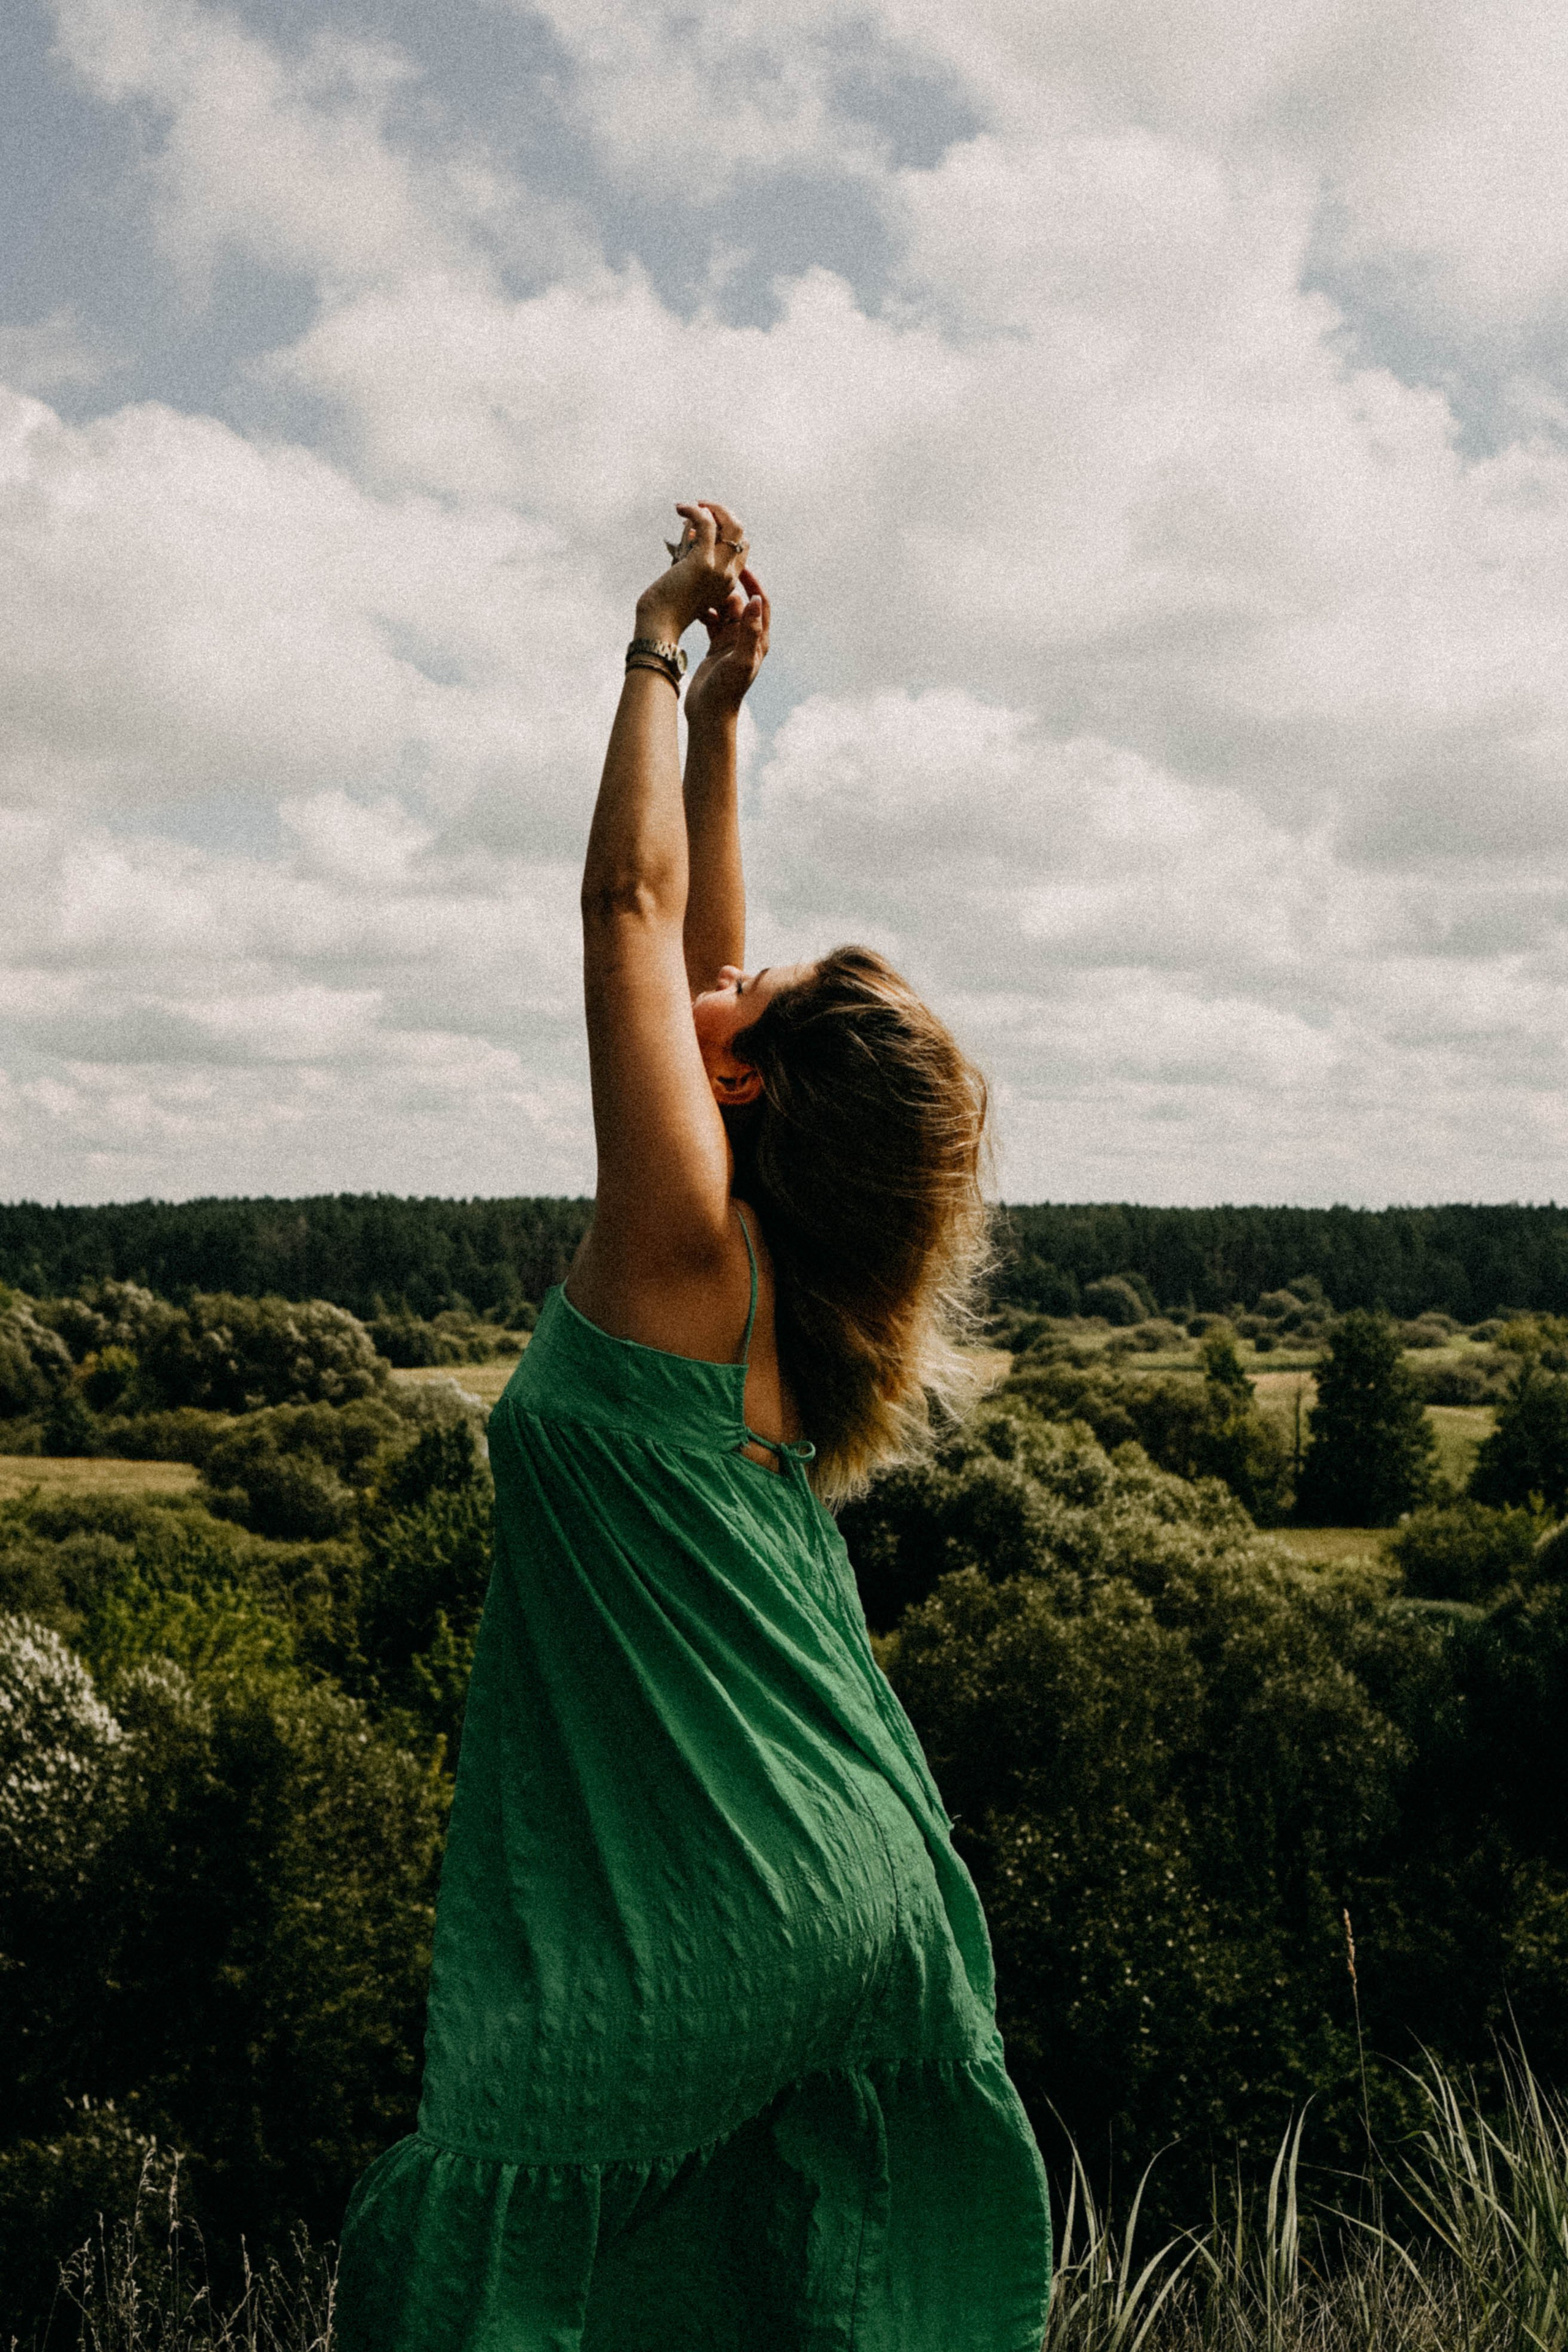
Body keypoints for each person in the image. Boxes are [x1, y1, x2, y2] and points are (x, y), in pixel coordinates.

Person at [334, 502, 1052, 2350]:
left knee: (494, 2231)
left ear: (742, 1081)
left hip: (714, 1914)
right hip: (862, 1882)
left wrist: (650, 650)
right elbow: (705, 954)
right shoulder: (777, 1315)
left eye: (759, 999)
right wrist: (729, 724)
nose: (726, 984)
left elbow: (632, 919)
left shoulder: (672, 1253)